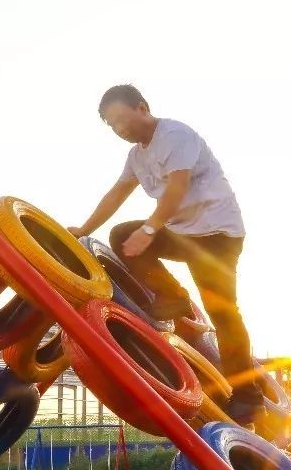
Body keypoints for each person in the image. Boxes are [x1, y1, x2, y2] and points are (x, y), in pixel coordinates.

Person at [67, 84, 262, 417]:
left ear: (142, 107)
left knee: (223, 313)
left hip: (216, 236)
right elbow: (117, 193)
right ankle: (173, 296)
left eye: (121, 119)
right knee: (122, 235)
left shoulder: (175, 135)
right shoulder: (136, 156)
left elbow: (177, 186)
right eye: (112, 125)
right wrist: (84, 229)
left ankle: (248, 396)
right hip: (182, 233)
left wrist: (151, 228)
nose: (119, 129)